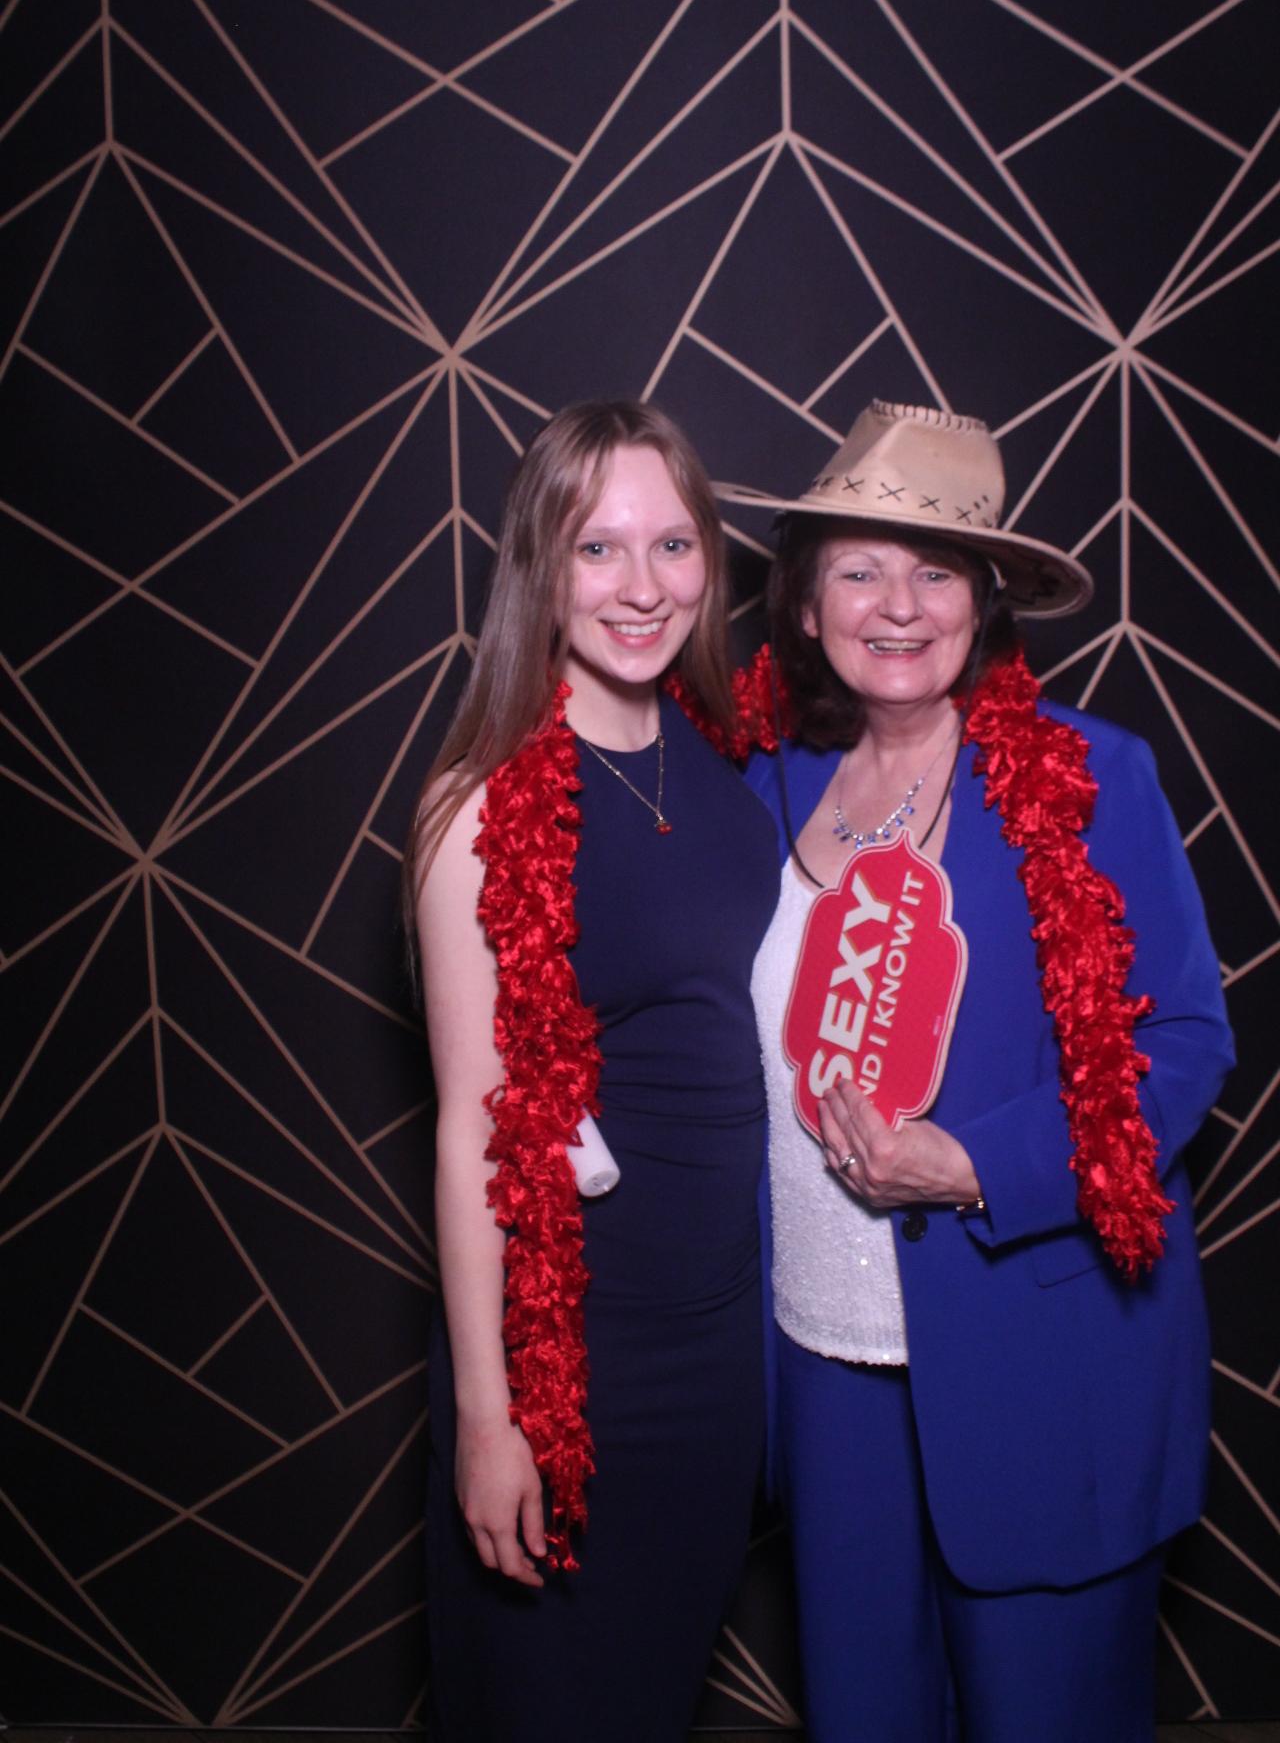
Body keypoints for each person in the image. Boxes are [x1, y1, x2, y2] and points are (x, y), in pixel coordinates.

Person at [715, 400, 1234, 1743]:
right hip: (823, 1369)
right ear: (807, 602)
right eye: (860, 569)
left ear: (985, 603)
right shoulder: (759, 783)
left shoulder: (1093, 780)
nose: (899, 605)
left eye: (937, 571)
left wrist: (978, 1163)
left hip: (1040, 1363)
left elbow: (1185, 1043)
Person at [408, 399, 779, 1743]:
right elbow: (471, 1126)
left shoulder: (724, 771)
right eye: (598, 547)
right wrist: (489, 1419)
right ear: (541, 566)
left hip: (718, 1351)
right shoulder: (481, 802)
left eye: (673, 544)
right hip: (573, 1357)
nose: (642, 586)